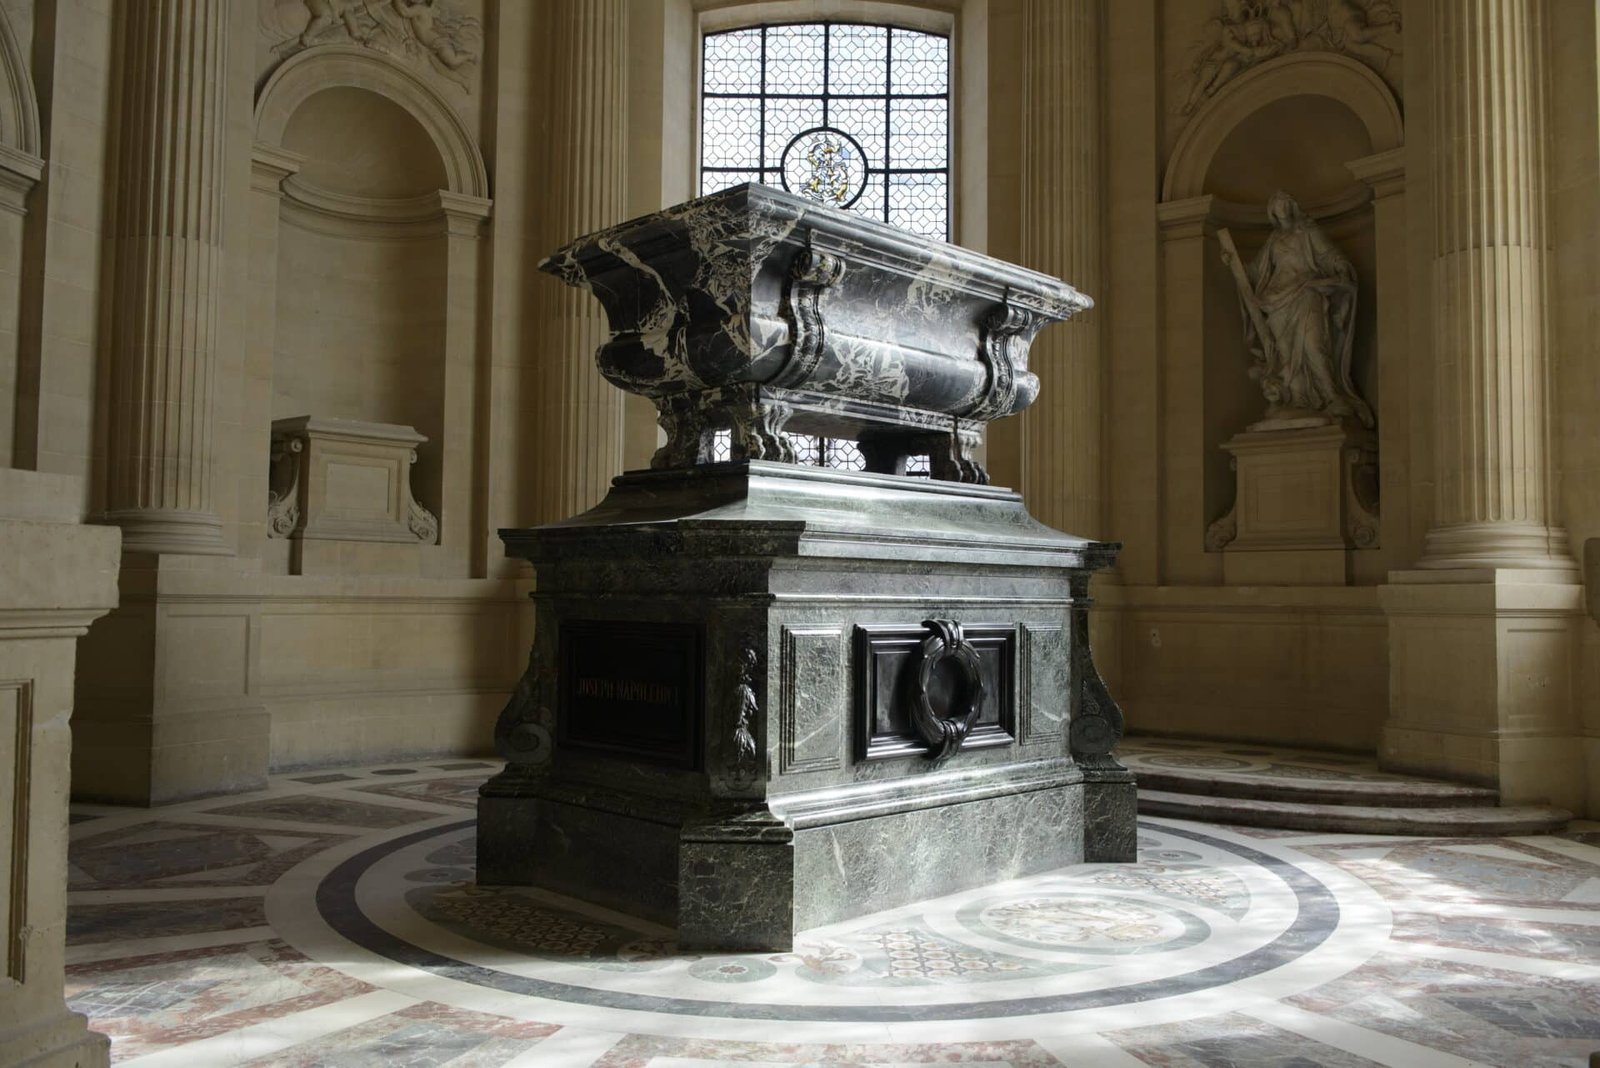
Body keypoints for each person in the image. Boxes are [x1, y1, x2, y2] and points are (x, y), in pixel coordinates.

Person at [1237, 191, 1373, 427]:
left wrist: (1340, 267)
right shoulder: (1273, 240)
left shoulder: (1308, 232)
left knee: (1314, 346)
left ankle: (1332, 396)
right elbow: (1256, 271)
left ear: (1291, 206)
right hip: (1277, 299)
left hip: (1306, 292)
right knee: (1285, 353)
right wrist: (1234, 263)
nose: (1280, 207)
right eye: (1276, 204)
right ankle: (1297, 399)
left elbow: (1330, 256)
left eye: (1284, 203)